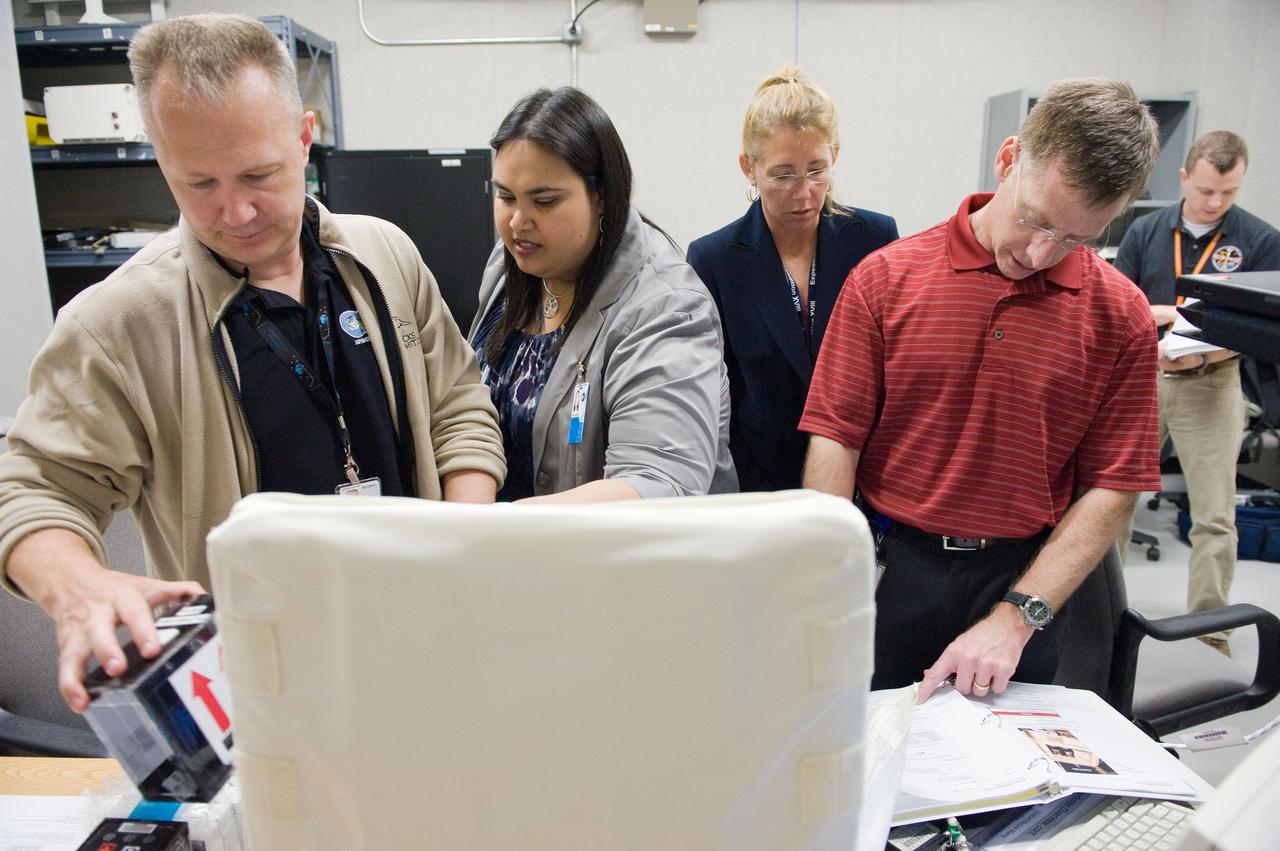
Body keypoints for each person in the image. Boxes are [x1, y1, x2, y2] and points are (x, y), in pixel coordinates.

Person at [0, 14, 505, 712]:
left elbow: (458, 405)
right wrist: (76, 585)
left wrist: (464, 535)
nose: (235, 210)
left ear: (304, 138)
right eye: (197, 182)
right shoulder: (118, 323)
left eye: (259, 174)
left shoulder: (383, 255)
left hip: (420, 647)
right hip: (258, 696)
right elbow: (33, 491)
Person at [800, 78, 1163, 701]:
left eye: (1077, 238)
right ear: (1007, 160)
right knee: (871, 768)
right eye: (1036, 220)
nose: (1042, 253)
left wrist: (1018, 619)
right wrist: (828, 584)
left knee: (1012, 788)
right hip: (892, 571)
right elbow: (837, 439)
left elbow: (1116, 485)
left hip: (1023, 582)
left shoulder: (1121, 314)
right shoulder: (885, 281)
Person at [468, 87, 736, 503]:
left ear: (602, 197)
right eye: (505, 197)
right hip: (511, 552)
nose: (518, 222)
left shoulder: (667, 307)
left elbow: (659, 484)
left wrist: (495, 527)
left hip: (611, 560)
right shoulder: (510, 269)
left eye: (544, 201)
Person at [687, 66, 898, 491]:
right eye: (783, 175)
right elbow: (716, 397)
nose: (803, 193)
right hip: (761, 484)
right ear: (749, 167)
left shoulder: (875, 238)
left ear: (834, 154)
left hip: (863, 476)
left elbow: (892, 370)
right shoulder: (714, 259)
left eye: (816, 170)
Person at [1115, 131, 1280, 655]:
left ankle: (1211, 635)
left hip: (1211, 382)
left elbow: (1256, 328)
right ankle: (1102, 616)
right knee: (1113, 499)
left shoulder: (1259, 239)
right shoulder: (1147, 230)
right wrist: (1170, 319)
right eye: (1206, 189)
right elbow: (1123, 306)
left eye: (1227, 193)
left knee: (1214, 515)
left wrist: (1202, 350)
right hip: (1144, 379)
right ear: (1185, 178)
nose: (1214, 202)